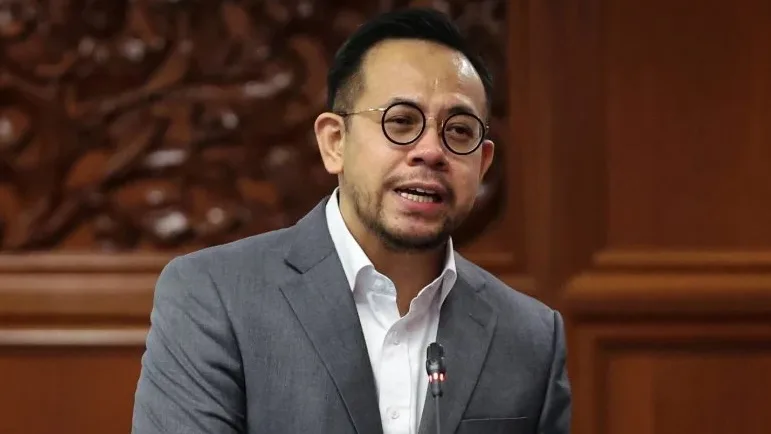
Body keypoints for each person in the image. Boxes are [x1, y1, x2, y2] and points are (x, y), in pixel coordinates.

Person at [131, 7, 571, 434]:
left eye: (458, 130)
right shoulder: (215, 296)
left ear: (483, 163)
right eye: (401, 121)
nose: (431, 152)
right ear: (334, 142)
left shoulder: (531, 337)